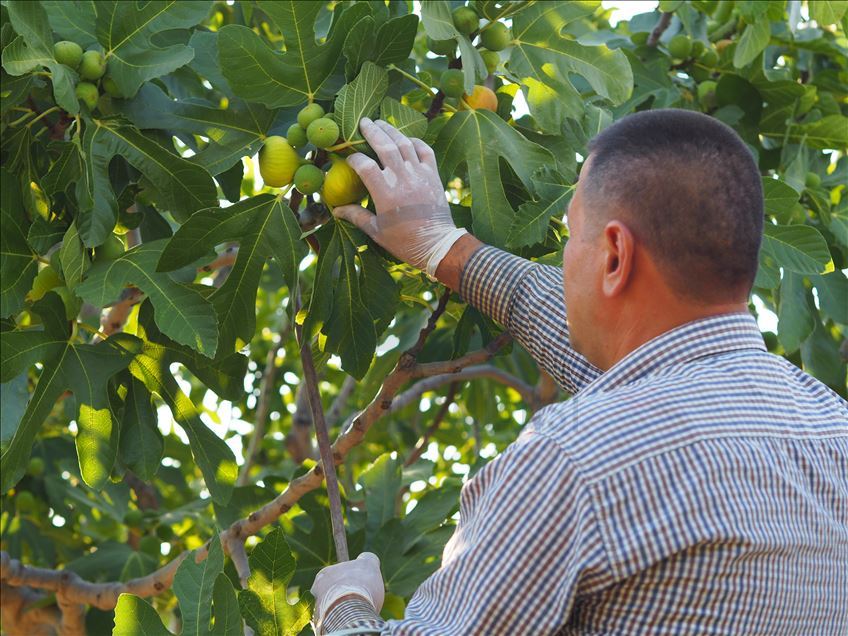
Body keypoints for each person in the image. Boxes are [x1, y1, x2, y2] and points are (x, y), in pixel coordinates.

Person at [309, 111, 848, 635]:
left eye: (572, 236)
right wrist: (441, 246)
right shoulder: (833, 429)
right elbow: (621, 361)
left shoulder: (575, 460)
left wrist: (344, 604)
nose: (566, 258)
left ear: (614, 255)